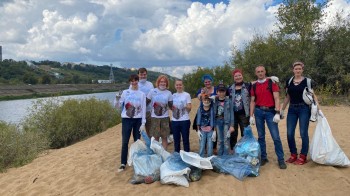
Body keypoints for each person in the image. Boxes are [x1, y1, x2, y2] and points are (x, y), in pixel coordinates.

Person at [281, 61, 321, 165]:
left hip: (304, 109)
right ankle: (293, 154)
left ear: (302, 70)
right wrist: (282, 110)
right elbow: (287, 97)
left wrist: (318, 108)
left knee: (303, 133)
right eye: (296, 69)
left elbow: (313, 95)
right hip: (292, 109)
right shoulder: (289, 81)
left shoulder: (308, 81)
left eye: (299, 69)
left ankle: (303, 156)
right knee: (289, 133)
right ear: (293, 70)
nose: (297, 70)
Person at [249, 65, 287, 169]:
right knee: (261, 136)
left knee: (276, 137)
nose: (260, 73)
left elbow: (277, 98)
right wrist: (251, 115)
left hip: (270, 111)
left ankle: (281, 159)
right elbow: (252, 101)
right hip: (258, 111)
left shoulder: (271, 82)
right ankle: (264, 157)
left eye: (262, 71)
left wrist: (278, 112)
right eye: (258, 72)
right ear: (256, 73)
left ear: (265, 72)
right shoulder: (254, 85)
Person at [115, 74, 146, 172]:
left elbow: (143, 109)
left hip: (138, 120)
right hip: (126, 120)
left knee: (137, 141)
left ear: (138, 81)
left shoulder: (142, 94)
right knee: (125, 141)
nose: (134, 82)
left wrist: (143, 123)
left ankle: (136, 161)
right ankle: (123, 163)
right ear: (130, 82)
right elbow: (117, 106)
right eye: (132, 81)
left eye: (136, 80)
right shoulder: (125, 92)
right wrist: (117, 98)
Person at [147, 75, 173, 150]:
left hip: (165, 118)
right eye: (161, 81)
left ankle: (163, 153)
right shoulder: (152, 91)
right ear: (158, 82)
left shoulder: (169, 93)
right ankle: (157, 154)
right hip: (155, 118)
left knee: (164, 138)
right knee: (156, 138)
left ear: (167, 83)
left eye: (164, 82)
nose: (163, 83)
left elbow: (171, 106)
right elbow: (145, 102)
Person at [228, 69, 251, 150]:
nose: (238, 77)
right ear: (233, 78)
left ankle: (245, 150)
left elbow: (258, 81)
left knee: (245, 132)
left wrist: (268, 78)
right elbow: (222, 94)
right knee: (233, 133)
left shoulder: (248, 86)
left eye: (239, 75)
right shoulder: (230, 88)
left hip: (244, 114)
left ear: (242, 76)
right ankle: (233, 150)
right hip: (233, 114)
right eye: (236, 76)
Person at [194, 74, 217, 153]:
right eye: (205, 82)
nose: (207, 83)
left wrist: (215, 97)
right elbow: (199, 97)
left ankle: (212, 149)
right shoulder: (201, 90)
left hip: (214, 111)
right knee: (203, 132)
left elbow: (220, 95)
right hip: (203, 112)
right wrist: (201, 94)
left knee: (212, 132)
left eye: (209, 81)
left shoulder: (215, 89)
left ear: (211, 81)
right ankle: (204, 150)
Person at [171, 79, 192, 152]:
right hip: (174, 121)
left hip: (184, 120)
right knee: (176, 140)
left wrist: (185, 105)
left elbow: (189, 108)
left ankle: (187, 155)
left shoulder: (187, 95)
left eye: (180, 84)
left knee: (185, 139)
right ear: (175, 86)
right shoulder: (173, 95)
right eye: (177, 85)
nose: (178, 86)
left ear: (183, 85)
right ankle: (177, 155)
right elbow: (171, 107)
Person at [213, 83, 234, 155]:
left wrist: (232, 125)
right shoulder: (214, 101)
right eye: (219, 91)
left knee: (226, 140)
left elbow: (231, 113)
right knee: (220, 140)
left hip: (226, 122)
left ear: (225, 92)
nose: (221, 93)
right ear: (217, 92)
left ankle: (226, 156)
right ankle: (220, 155)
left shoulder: (229, 101)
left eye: (223, 91)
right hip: (218, 122)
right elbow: (205, 99)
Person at [136, 68, 154, 136]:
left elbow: (152, 96)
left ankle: (151, 146)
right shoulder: (134, 84)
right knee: (138, 132)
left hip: (149, 112)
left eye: (144, 74)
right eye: (141, 74)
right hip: (138, 113)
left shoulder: (150, 84)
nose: (143, 76)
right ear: (138, 75)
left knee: (150, 132)